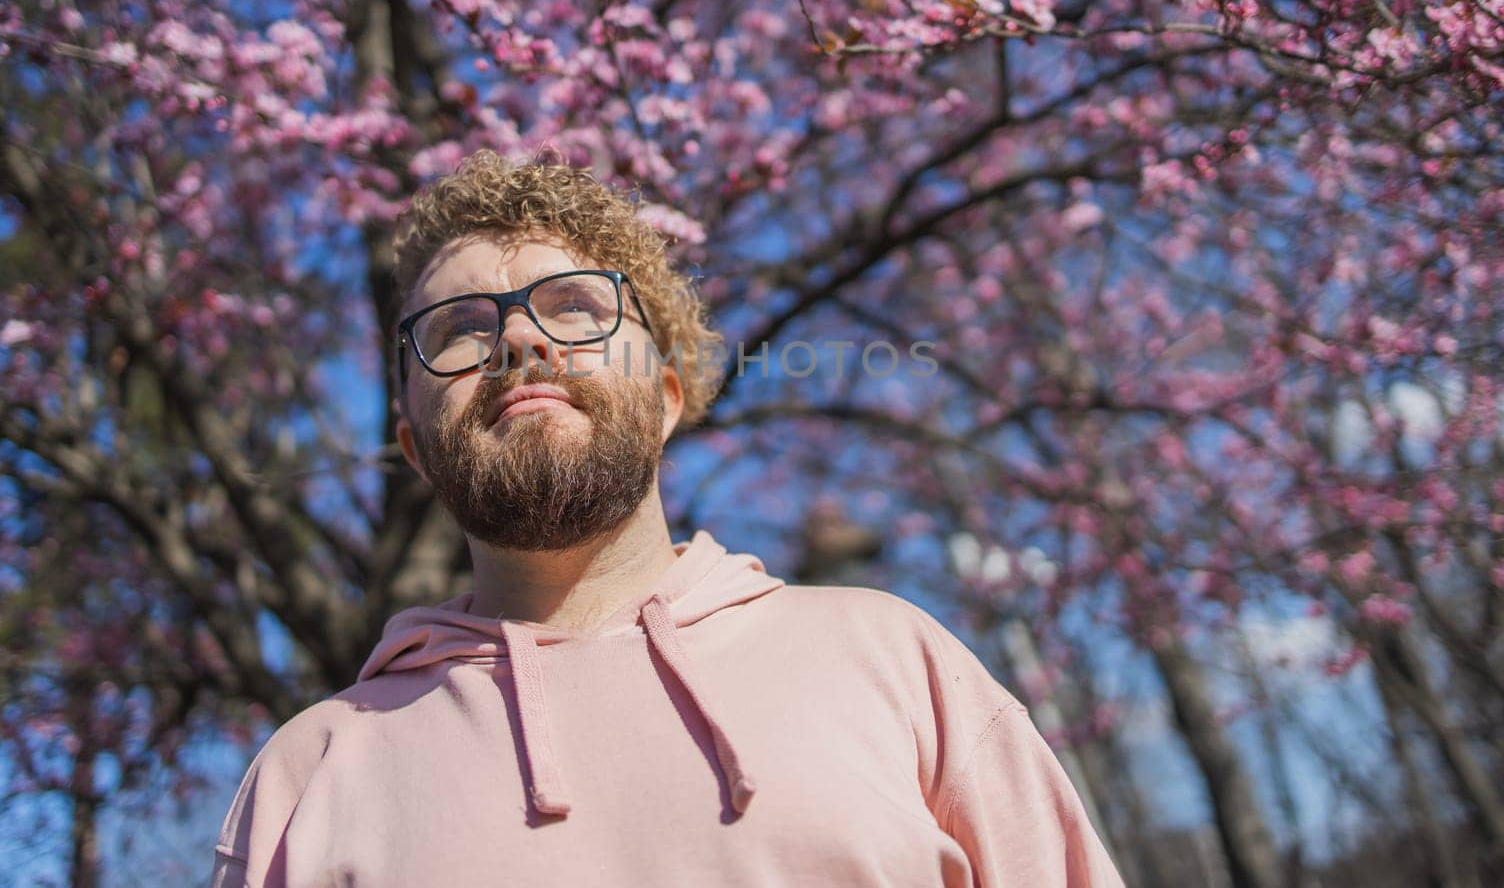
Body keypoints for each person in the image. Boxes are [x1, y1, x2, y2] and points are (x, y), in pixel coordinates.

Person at [209, 150, 1125, 887]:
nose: (521, 340)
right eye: (459, 328)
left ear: (666, 400)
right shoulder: (307, 778)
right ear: (413, 446)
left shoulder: (896, 660)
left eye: (575, 307)